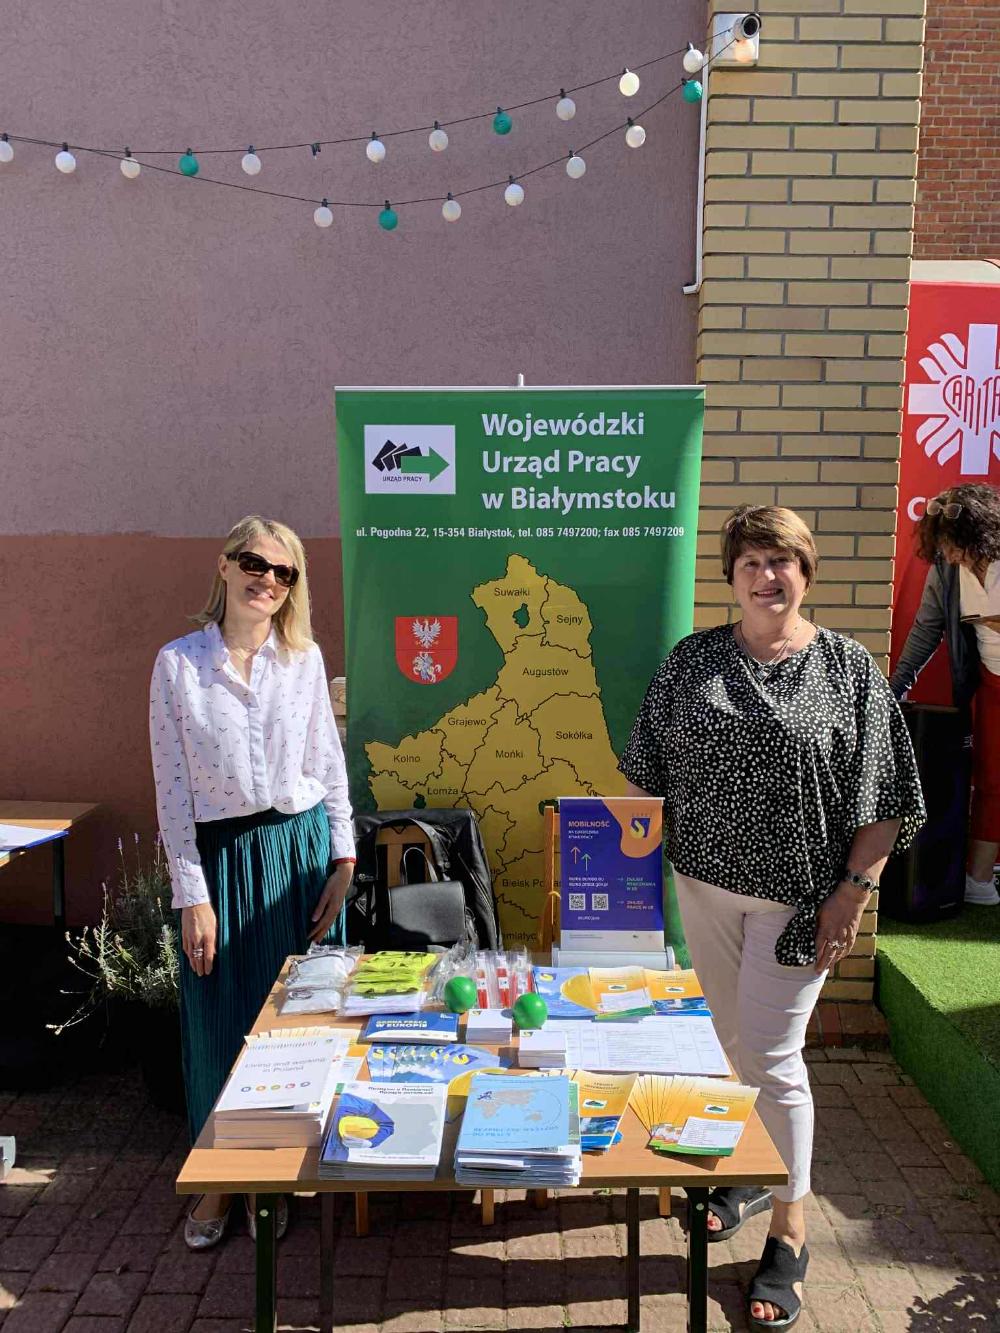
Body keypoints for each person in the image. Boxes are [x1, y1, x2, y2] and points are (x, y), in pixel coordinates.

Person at [620, 504, 924, 1329]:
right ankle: (748, 1171)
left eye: (782, 560)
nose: (767, 576)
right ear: (731, 576)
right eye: (751, 562)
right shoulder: (692, 661)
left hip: (802, 904)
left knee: (774, 1056)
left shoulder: (848, 670)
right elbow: (645, 771)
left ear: (805, 572)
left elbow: (887, 797)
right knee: (727, 1041)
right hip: (705, 890)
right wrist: (616, 868)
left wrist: (852, 893)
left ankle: (791, 1227)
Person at [150, 515, 356, 1251]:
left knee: (292, 1027)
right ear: (225, 564)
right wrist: (193, 895)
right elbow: (172, 791)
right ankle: (218, 1177)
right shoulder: (178, 665)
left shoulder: (303, 660)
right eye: (254, 563)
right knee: (219, 1022)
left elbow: (327, 762)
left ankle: (271, 1174)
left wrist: (344, 860)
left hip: (298, 852)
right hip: (224, 860)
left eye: (283, 571)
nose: (266, 579)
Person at [890, 483, 1000, 905]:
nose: (949, 556)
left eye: (956, 546)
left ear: (982, 535)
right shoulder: (947, 568)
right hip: (990, 682)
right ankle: (979, 882)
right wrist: (894, 689)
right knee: (990, 782)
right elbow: (927, 628)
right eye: (942, 547)